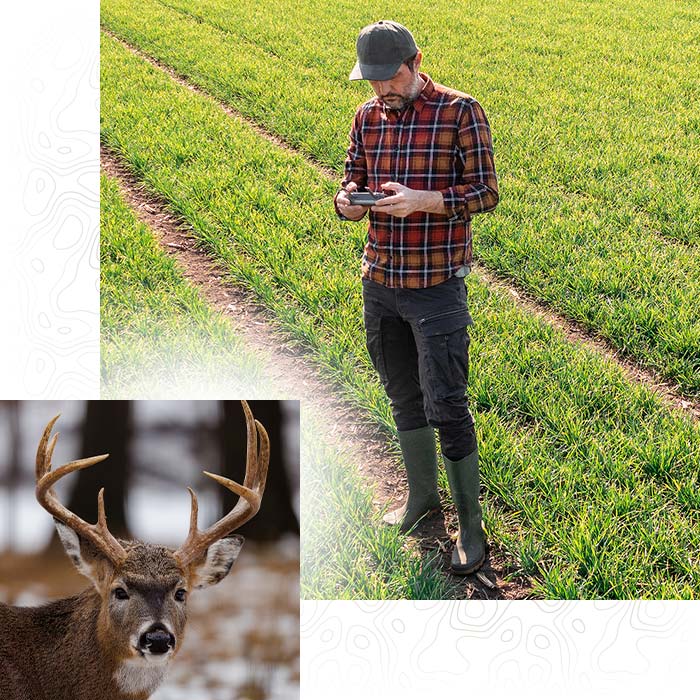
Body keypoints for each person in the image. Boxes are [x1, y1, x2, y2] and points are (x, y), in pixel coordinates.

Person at [334, 20, 499, 575]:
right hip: (379, 281)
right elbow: (350, 177)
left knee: (447, 404)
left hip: (436, 287)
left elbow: (486, 192)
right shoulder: (366, 116)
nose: (381, 89)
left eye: (390, 77)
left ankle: (471, 529)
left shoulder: (460, 111)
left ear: (416, 61)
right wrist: (348, 203)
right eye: (372, 80)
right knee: (403, 397)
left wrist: (425, 200)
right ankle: (421, 498)